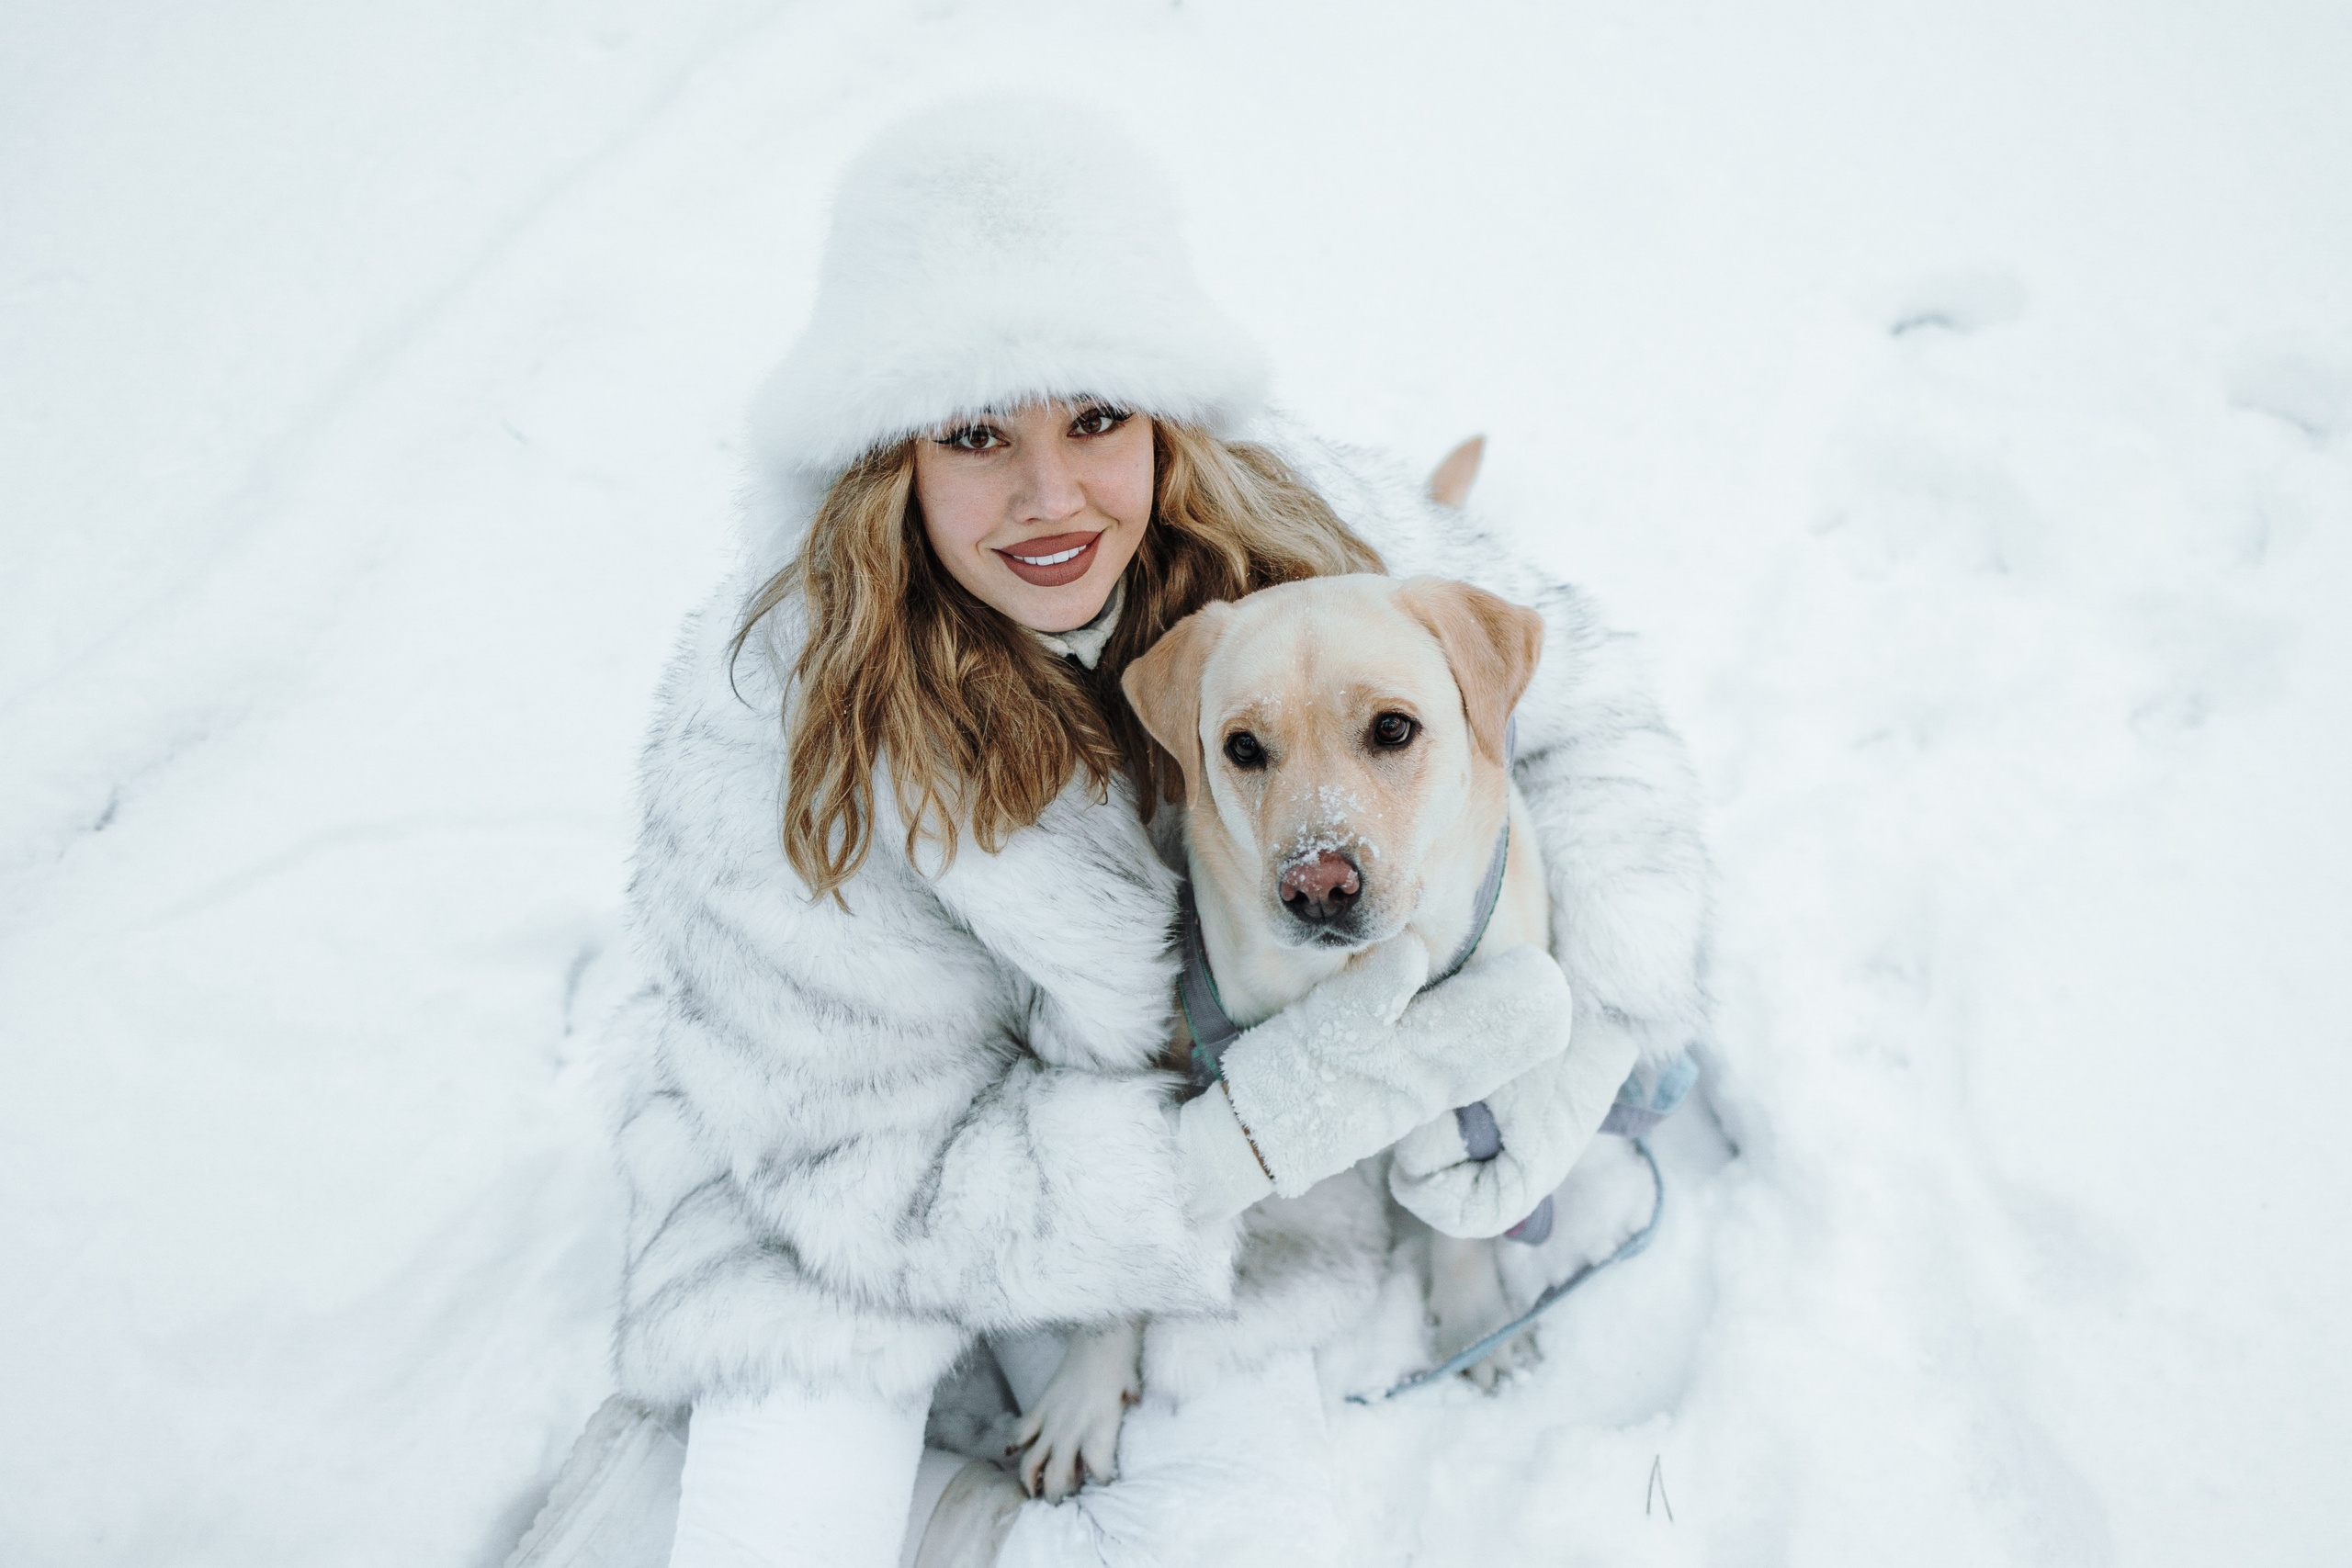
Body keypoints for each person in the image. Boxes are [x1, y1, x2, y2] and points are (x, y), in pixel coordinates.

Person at [565, 97, 1710, 1568]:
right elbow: (878, 1176)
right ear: (880, 459)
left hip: (1202, 1182)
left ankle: (973, 1515)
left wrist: (1591, 1013)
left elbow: (1587, 726)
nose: (1051, 496)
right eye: (975, 431)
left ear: (1162, 410)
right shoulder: (774, 723)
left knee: (1241, 1539)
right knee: (778, 1536)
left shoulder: (1284, 523)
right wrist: (1222, 1145)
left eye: (1098, 415)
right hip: (846, 1192)